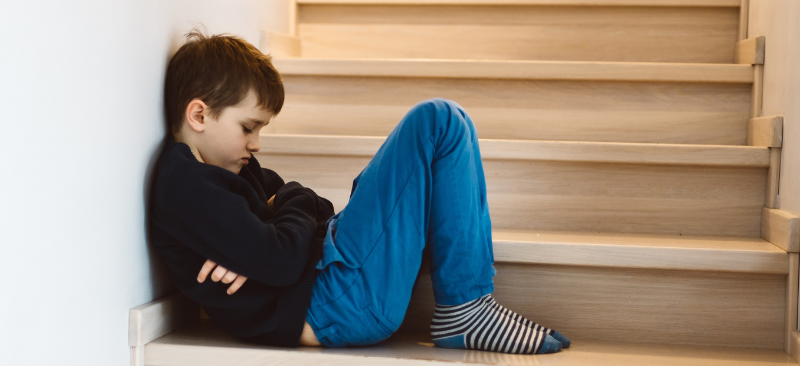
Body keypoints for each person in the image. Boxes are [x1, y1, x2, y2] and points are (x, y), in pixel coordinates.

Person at [149, 29, 570, 355]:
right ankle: (467, 310)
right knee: (437, 120)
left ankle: (467, 307)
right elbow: (280, 260)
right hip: (332, 304)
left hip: (332, 281)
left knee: (449, 121)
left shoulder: (231, 167)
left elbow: (313, 203)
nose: (257, 144)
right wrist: (272, 229)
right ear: (199, 114)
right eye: (249, 127)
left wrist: (270, 226)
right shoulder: (184, 185)